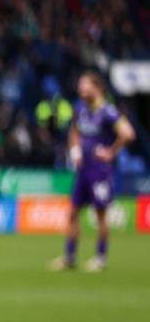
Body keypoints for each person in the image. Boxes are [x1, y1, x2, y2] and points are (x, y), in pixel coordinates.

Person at [50, 72, 135, 273]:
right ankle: (69, 257)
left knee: (100, 214)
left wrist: (111, 152)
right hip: (83, 170)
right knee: (72, 212)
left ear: (97, 88)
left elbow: (128, 133)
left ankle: (100, 258)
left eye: (84, 85)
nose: (81, 89)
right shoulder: (81, 110)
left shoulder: (108, 111)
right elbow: (74, 132)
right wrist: (75, 150)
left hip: (100, 171)